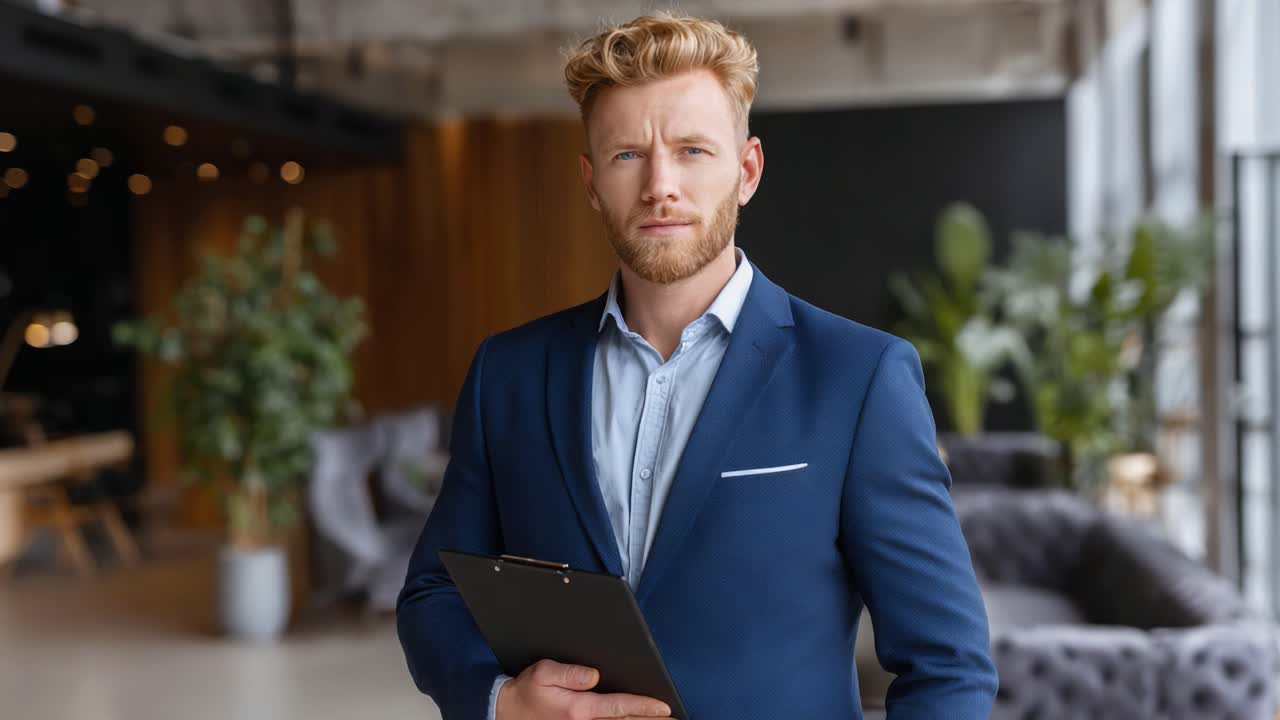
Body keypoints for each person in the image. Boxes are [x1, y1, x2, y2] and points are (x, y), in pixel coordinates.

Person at [397, 12, 997, 719]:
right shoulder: (510, 374)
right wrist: (497, 700)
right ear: (591, 181)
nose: (659, 186)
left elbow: (947, 663)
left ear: (746, 170)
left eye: (691, 151)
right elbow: (432, 594)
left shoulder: (858, 378)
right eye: (627, 156)